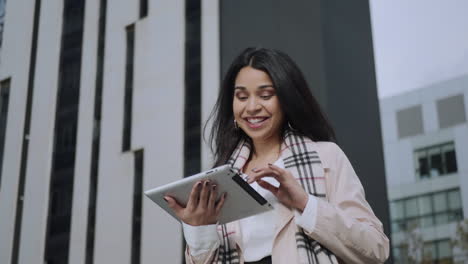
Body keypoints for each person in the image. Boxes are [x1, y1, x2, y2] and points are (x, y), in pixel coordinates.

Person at [164, 47, 390, 264]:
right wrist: (200, 229)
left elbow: (375, 248)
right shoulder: (222, 176)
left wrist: (305, 203)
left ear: (286, 99)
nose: (252, 107)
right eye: (242, 97)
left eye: (265, 95)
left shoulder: (326, 157)